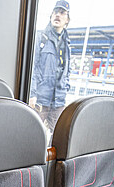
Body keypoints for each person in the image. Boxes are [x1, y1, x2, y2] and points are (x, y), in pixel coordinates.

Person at [29, 0, 71, 131]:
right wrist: (32, 94)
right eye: (55, 12)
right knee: (33, 133)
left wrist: (65, 88)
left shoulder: (67, 43)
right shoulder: (41, 38)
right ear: (51, 15)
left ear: (67, 20)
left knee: (58, 135)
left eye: (62, 13)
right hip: (40, 100)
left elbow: (67, 70)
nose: (58, 15)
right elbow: (33, 67)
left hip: (58, 101)